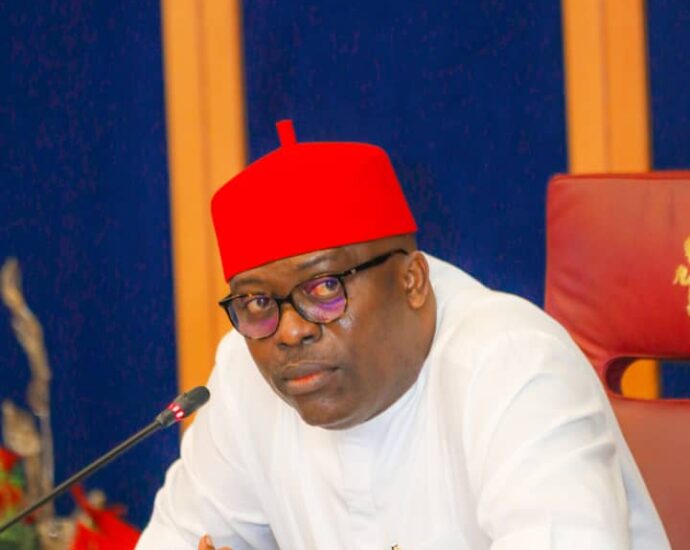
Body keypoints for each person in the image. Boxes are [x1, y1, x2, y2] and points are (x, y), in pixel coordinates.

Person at [137, 121, 669, 550]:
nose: (291, 331)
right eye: (257, 302)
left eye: (324, 288)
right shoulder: (244, 374)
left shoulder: (514, 364)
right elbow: (179, 537)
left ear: (412, 281)